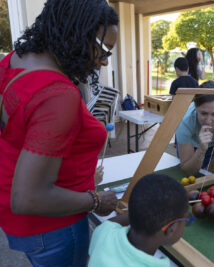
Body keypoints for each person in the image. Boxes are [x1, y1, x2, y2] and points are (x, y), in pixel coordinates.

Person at [0, 1, 118, 265]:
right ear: (76, 32)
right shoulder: (57, 94)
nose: (103, 62)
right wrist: (96, 200)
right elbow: (28, 197)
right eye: (103, 50)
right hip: (54, 226)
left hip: (21, 218)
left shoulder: (14, 60)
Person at [88, 173, 193, 267]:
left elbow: (110, 223)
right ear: (171, 229)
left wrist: (143, 210)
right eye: (186, 221)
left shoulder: (103, 232)